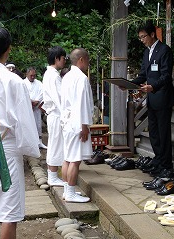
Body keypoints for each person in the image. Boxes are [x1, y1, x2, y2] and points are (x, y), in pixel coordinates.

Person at [0, 25, 40, 239]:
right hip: (6, 147)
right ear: (8, 49)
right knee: (9, 212)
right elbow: (24, 121)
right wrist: (30, 148)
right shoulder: (14, 80)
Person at [130, 21, 174, 177]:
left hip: (163, 97)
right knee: (154, 133)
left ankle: (166, 164)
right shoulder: (146, 52)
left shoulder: (164, 50)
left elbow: (166, 76)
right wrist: (130, 84)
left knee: (163, 132)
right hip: (151, 98)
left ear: (152, 34)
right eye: (140, 38)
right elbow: (143, 75)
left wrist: (152, 87)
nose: (142, 40)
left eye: (144, 37)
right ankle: (158, 160)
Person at [61, 48, 93, 203]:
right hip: (76, 122)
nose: (88, 64)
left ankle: (68, 191)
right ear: (81, 59)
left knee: (68, 158)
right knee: (74, 159)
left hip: (67, 121)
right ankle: (71, 192)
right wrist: (84, 125)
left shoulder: (66, 76)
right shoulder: (81, 78)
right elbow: (82, 104)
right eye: (87, 60)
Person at [42, 46, 67, 187]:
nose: (64, 61)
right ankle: (52, 175)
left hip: (54, 113)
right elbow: (59, 98)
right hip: (56, 113)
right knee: (56, 144)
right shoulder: (53, 75)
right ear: (57, 58)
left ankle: (52, 174)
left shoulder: (49, 74)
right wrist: (66, 114)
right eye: (63, 58)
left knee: (55, 143)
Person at [24, 67, 47, 149]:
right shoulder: (23, 83)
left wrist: (37, 101)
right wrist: (30, 101)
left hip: (36, 108)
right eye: (31, 75)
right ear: (27, 74)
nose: (33, 77)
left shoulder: (39, 83)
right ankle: (30, 144)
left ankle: (39, 142)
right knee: (28, 126)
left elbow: (42, 92)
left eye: (34, 75)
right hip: (27, 109)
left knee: (38, 125)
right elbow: (23, 95)